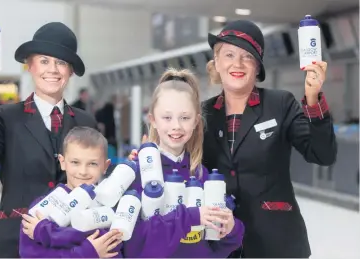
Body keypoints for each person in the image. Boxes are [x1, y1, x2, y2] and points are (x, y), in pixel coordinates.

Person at [0, 22, 97, 258]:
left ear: (71, 71)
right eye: (44, 61)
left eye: (61, 62)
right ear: (30, 66)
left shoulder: (86, 122)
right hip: (14, 244)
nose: (52, 69)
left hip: (71, 244)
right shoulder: (5, 118)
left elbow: (97, 184)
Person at [203, 20, 336, 257]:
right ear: (217, 63)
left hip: (277, 243)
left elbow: (322, 154)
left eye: (247, 56)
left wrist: (313, 99)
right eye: (229, 54)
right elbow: (181, 162)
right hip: (220, 242)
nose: (237, 63)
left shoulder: (280, 104)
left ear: (257, 67)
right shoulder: (202, 114)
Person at [124, 68, 244, 258]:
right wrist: (191, 217)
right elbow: (134, 245)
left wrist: (231, 229)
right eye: (167, 117)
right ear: (153, 120)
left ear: (196, 121)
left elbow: (217, 247)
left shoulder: (202, 175)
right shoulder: (137, 174)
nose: (176, 126)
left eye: (185, 118)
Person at [19, 127, 123, 258]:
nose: (83, 171)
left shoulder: (110, 204)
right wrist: (85, 252)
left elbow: (113, 245)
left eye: (92, 164)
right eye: (75, 162)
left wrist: (46, 231)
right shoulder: (42, 207)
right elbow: (30, 255)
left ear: (105, 166)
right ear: (63, 162)